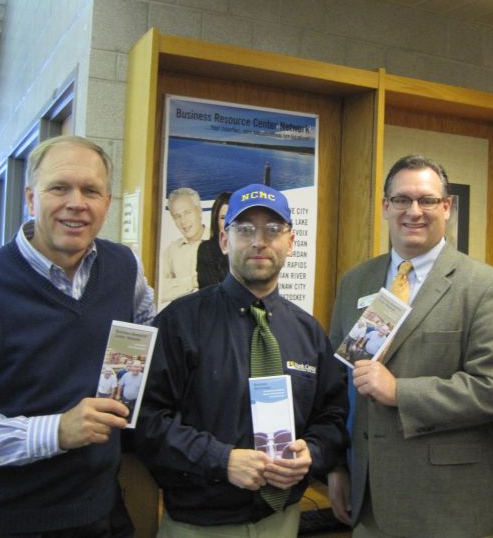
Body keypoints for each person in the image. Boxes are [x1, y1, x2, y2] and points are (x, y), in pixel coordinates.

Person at [0, 135, 155, 535]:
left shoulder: (125, 267)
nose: (76, 203)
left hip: (99, 510)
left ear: (107, 204)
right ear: (31, 198)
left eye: (91, 190)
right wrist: (56, 431)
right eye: (59, 187)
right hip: (1, 521)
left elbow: (145, 325)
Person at [136, 183, 347, 537]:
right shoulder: (179, 322)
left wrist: (313, 451)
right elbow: (146, 419)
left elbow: (333, 415)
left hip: (282, 522)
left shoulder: (308, 332)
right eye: (244, 229)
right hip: (198, 525)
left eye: (273, 230)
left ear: (291, 242)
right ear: (223, 240)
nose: (259, 241)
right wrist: (222, 460)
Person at [328, 155, 493, 538]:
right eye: (401, 200)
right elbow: (336, 386)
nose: (413, 211)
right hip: (368, 505)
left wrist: (399, 391)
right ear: (385, 207)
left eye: (427, 201)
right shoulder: (355, 282)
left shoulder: (486, 287)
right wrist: (337, 466)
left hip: (447, 508)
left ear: (446, 208)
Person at [161, 187, 205, 304]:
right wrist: (192, 282)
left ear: (199, 211)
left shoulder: (219, 243)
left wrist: (176, 285)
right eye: (177, 216)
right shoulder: (172, 250)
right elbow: (159, 290)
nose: (183, 221)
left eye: (187, 212)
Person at [197, 191, 231, 288]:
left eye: (232, 216)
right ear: (216, 220)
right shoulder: (207, 249)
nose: (228, 222)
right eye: (223, 217)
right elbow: (212, 293)